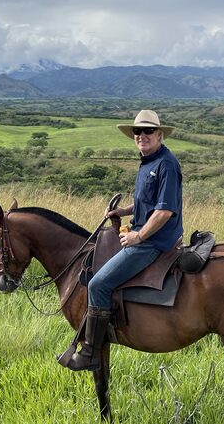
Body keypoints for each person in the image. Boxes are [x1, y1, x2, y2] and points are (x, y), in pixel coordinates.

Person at [63, 109, 183, 371]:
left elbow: (164, 211)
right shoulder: (148, 161)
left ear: (160, 135)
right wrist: (123, 212)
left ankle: (91, 352)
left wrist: (138, 236)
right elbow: (146, 203)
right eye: (138, 132)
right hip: (143, 233)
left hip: (154, 241)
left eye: (148, 131)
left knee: (98, 285)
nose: (142, 136)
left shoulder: (167, 165)